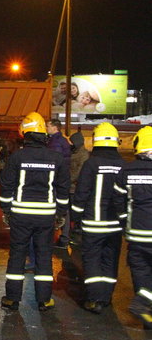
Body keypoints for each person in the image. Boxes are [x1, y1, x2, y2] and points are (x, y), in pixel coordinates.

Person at [0, 112, 70, 311]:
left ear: (26, 134)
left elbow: (6, 186)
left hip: (20, 216)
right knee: (44, 256)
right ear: (43, 134)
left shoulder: (17, 157)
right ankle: (44, 300)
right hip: (46, 217)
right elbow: (63, 189)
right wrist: (60, 214)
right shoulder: (56, 158)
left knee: (17, 256)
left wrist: (6, 210)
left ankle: (12, 298)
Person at [70, 123, 124, 314]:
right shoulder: (123, 164)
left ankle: (93, 299)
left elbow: (82, 193)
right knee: (110, 260)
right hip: (116, 225)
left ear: (95, 140)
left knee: (92, 259)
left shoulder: (91, 164)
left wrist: (75, 216)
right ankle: (105, 297)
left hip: (94, 223)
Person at [113, 126, 152, 329]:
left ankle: (147, 316)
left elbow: (118, 200)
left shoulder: (126, 170)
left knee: (141, 272)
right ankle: (142, 303)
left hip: (135, 233)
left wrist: (124, 221)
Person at [47, 119, 72, 248]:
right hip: (63, 178)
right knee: (64, 208)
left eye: (48, 126)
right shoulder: (61, 141)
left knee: (58, 209)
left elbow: (54, 162)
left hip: (56, 180)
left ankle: (60, 238)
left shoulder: (55, 143)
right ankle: (64, 237)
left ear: (55, 127)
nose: (46, 128)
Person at [67, 130, 90, 245]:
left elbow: (79, 172)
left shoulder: (83, 155)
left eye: (71, 142)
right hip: (70, 187)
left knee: (76, 211)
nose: (70, 144)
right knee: (71, 212)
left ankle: (78, 233)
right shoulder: (75, 153)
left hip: (75, 188)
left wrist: (67, 180)